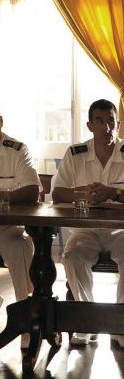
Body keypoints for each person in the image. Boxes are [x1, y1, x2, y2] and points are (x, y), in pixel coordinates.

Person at [52, 99, 124, 350]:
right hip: (86, 230)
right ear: (90, 125)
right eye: (99, 121)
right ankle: (89, 321)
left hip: (122, 230)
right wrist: (83, 195)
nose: (106, 127)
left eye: (111, 121)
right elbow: (57, 193)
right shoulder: (75, 154)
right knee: (73, 255)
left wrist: (113, 193)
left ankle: (122, 324)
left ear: (118, 124)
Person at [0, 114, 40, 348]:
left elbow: (32, 191)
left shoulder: (16, 150)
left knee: (19, 245)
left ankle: (26, 318)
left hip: (8, 226)